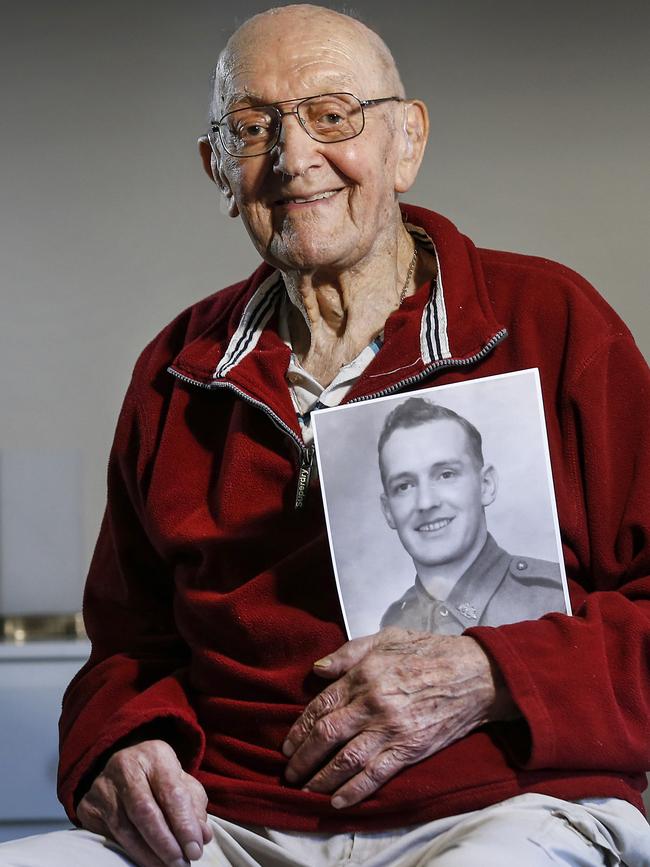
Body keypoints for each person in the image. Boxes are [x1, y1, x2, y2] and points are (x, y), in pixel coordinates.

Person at [2, 4, 650, 866]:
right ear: (218, 169)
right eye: (252, 128)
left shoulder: (552, 323)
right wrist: (123, 743)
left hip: (498, 806)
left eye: (331, 116)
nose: (294, 157)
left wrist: (493, 676)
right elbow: (127, 649)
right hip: (225, 821)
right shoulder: (176, 368)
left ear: (406, 142)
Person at [377, 397, 566, 634]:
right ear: (388, 511)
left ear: (486, 485)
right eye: (404, 486)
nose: (426, 502)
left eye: (446, 475)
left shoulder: (552, 597)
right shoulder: (395, 621)